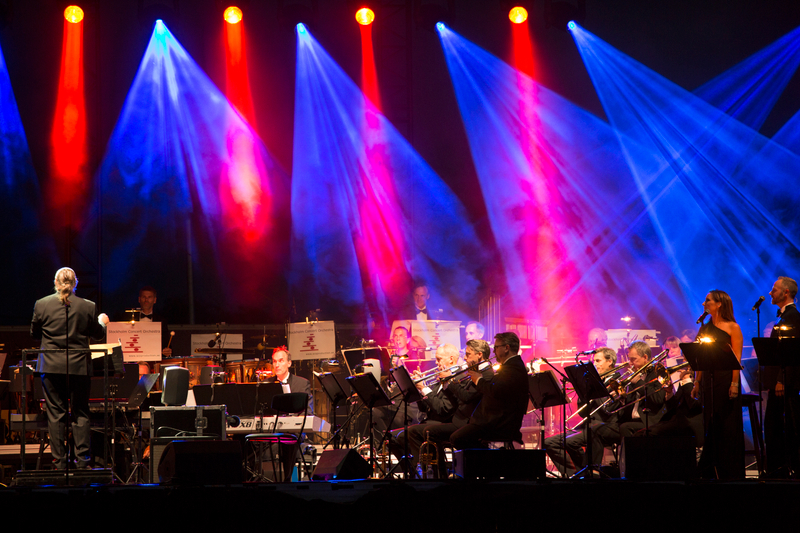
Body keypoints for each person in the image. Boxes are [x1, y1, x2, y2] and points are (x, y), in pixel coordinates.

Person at [31, 267, 109, 469]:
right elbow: (98, 334)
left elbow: (35, 333)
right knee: (80, 413)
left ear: (56, 283)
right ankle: (83, 461)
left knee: (56, 414)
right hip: (79, 367)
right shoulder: (88, 306)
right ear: (75, 284)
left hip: (51, 366)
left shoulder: (42, 304)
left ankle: (60, 462)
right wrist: (102, 322)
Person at [690, 290, 745, 480]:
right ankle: (709, 468)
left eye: (708, 300)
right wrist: (696, 382)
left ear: (719, 303)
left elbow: (736, 358)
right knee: (709, 423)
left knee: (725, 424)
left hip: (725, 380)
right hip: (708, 381)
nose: (704, 303)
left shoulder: (732, 327)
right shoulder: (704, 328)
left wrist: (734, 384)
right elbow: (700, 359)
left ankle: (728, 470)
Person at [545, 347, 622, 478]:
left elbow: (607, 409)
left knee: (570, 442)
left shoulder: (617, 380)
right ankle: (575, 474)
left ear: (610, 361)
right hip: (589, 424)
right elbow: (582, 413)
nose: (595, 364)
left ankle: (587, 473)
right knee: (549, 443)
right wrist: (583, 391)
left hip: (605, 425)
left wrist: (595, 388)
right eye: (594, 361)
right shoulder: (597, 379)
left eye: (598, 361)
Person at [450, 332, 529, 449]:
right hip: (494, 421)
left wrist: (478, 379)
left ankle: (482, 463)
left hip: (499, 424)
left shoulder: (512, 368)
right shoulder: (511, 366)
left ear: (506, 348)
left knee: (457, 438)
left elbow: (495, 391)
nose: (494, 352)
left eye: (496, 347)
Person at [764, 276, 800, 477]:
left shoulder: (793, 317)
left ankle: (786, 470)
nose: (770, 292)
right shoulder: (783, 317)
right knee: (773, 426)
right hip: (779, 381)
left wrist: (779, 379)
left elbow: (792, 353)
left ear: (786, 292)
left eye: (774, 289)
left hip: (786, 382)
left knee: (783, 427)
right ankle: (776, 469)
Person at [618, 341, 668, 439]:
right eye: (629, 359)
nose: (630, 363)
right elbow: (632, 403)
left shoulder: (657, 372)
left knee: (625, 428)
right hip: (633, 420)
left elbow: (657, 399)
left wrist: (638, 382)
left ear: (645, 357)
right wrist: (623, 397)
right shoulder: (636, 374)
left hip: (650, 421)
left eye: (633, 359)